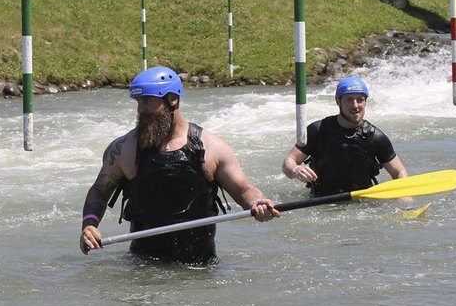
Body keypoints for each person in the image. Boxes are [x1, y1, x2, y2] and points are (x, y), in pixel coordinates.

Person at [79, 66, 279, 265]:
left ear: (172, 99)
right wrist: (89, 224)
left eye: (147, 100)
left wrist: (258, 203)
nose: (140, 109)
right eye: (138, 102)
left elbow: (244, 190)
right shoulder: (124, 149)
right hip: (143, 267)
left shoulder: (212, 147)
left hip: (200, 267)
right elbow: (99, 191)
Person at [282, 76, 408, 196]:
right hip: (321, 201)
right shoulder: (318, 130)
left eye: (360, 99)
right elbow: (288, 162)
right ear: (338, 102)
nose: (355, 105)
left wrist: (405, 202)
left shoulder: (375, 137)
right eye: (349, 100)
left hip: (362, 203)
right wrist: (296, 170)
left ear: (365, 102)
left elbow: (399, 172)